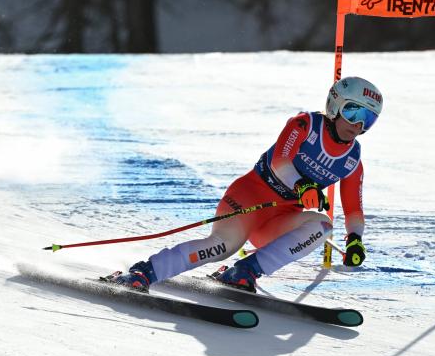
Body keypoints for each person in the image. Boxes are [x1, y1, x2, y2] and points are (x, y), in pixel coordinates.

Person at [110, 76, 383, 292]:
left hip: (278, 220)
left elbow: (353, 209)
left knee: (322, 225)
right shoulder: (305, 124)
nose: (357, 124)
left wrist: (355, 240)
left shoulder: (352, 160)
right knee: (222, 246)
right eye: (353, 112)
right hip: (249, 198)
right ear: (335, 105)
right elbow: (280, 162)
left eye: (367, 120)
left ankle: (245, 271)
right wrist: (303, 187)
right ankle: (144, 272)